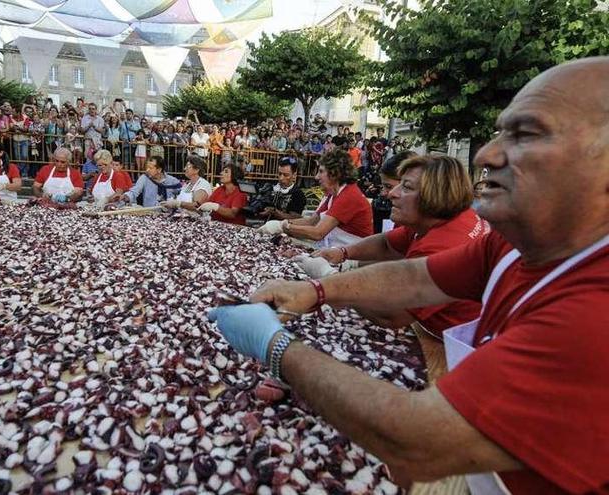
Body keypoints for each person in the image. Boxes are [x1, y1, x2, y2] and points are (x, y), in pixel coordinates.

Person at [208, 57, 609, 494]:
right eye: (499, 133)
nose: (487, 155)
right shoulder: (515, 243)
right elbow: (417, 277)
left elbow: (419, 440)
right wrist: (316, 290)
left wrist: (275, 346)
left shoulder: (595, 316)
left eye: (526, 134)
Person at [297, 154, 491, 337]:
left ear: (434, 195)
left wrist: (329, 279)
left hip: (452, 343)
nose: (392, 194)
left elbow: (391, 314)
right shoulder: (439, 217)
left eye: (406, 187)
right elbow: (387, 243)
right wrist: (342, 253)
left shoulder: (443, 246)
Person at [282, 148, 373, 247]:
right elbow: (311, 221)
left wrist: (285, 227)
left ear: (334, 174)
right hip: (335, 249)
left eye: (321, 171)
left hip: (353, 257)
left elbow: (318, 233)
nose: (316, 177)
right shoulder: (333, 194)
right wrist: (283, 223)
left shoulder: (349, 195)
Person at [257, 157, 307, 227]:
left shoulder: (298, 194)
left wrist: (275, 212)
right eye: (279, 174)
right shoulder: (270, 187)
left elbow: (295, 218)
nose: (281, 178)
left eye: (286, 175)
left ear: (294, 175)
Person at [116, 156, 181, 207]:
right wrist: (125, 197)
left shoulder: (173, 181)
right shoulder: (144, 178)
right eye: (147, 167)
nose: (147, 170)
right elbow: (134, 192)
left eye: (150, 168)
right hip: (150, 214)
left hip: (168, 215)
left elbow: (181, 196)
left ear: (159, 169)